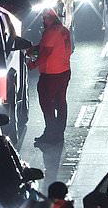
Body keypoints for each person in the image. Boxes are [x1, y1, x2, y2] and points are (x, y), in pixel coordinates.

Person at [29, 8, 74, 146]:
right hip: (64, 72)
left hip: (51, 75)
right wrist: (36, 48)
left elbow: (47, 53)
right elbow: (56, 47)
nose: (43, 21)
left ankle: (50, 133)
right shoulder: (63, 30)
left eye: (45, 18)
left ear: (50, 18)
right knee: (61, 103)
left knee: (46, 104)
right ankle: (59, 133)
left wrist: (34, 64)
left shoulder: (50, 32)